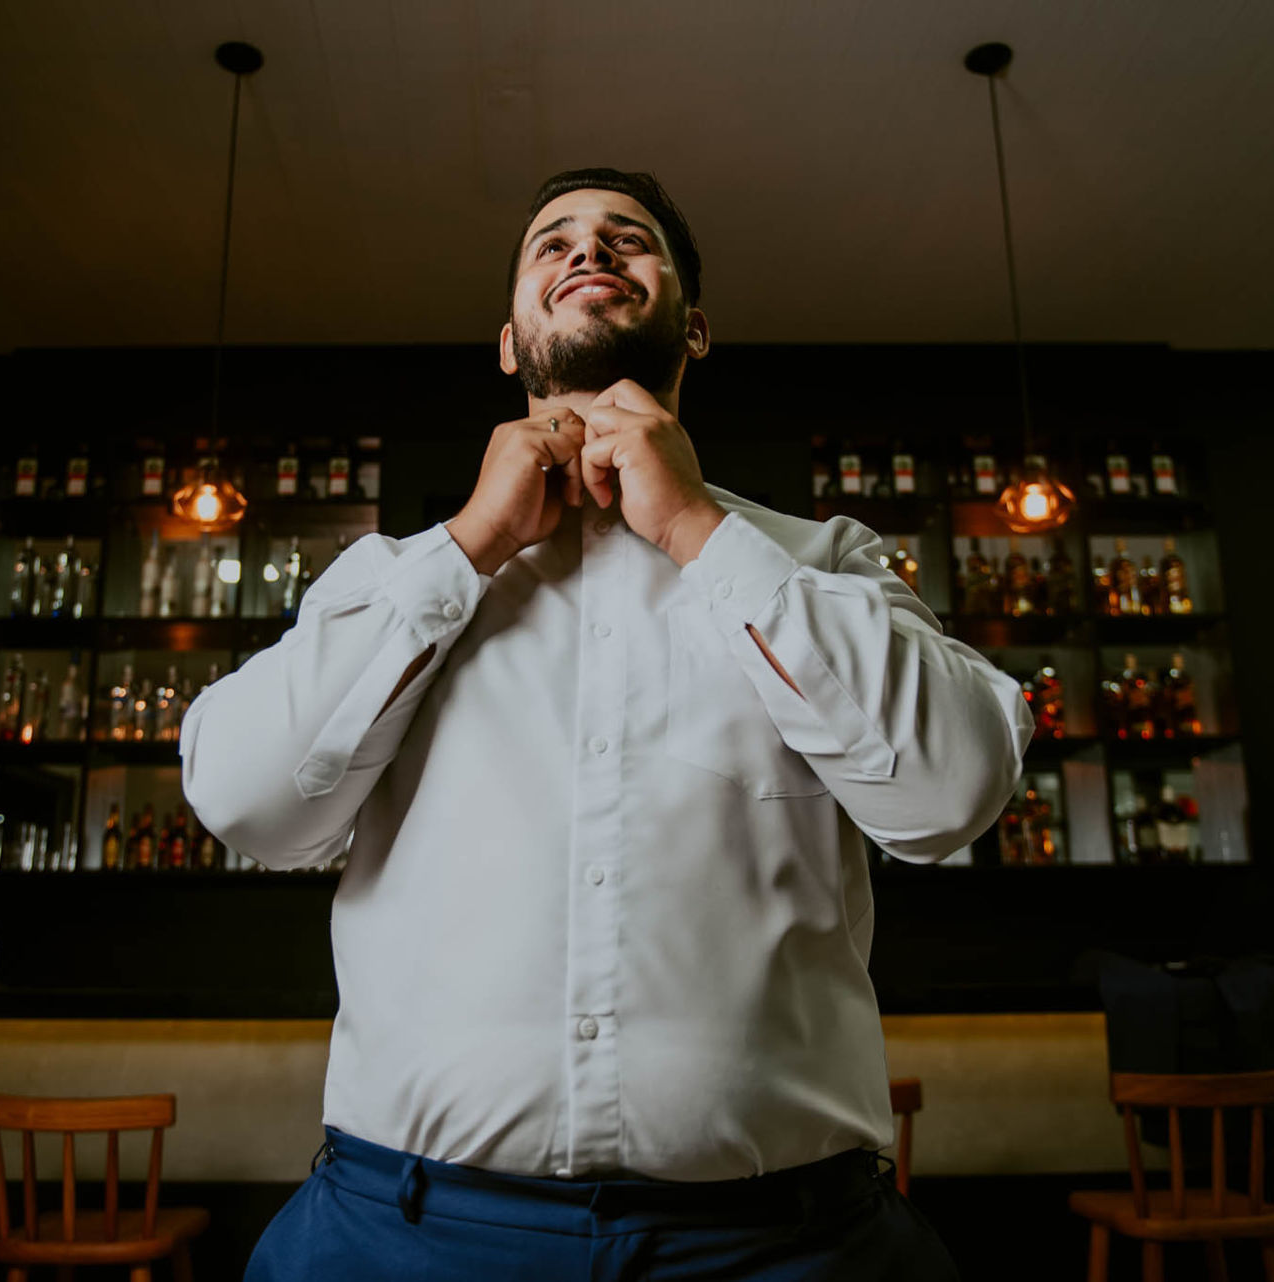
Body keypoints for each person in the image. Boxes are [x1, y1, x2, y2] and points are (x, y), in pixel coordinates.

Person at [181, 167, 1033, 1281]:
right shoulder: (388, 580)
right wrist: (472, 544)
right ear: (507, 341)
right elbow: (244, 803)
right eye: (555, 243)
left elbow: (949, 796)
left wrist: (697, 528)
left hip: (787, 1246)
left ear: (697, 326)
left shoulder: (825, 562)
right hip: (400, 1238)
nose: (589, 251)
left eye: (628, 240)